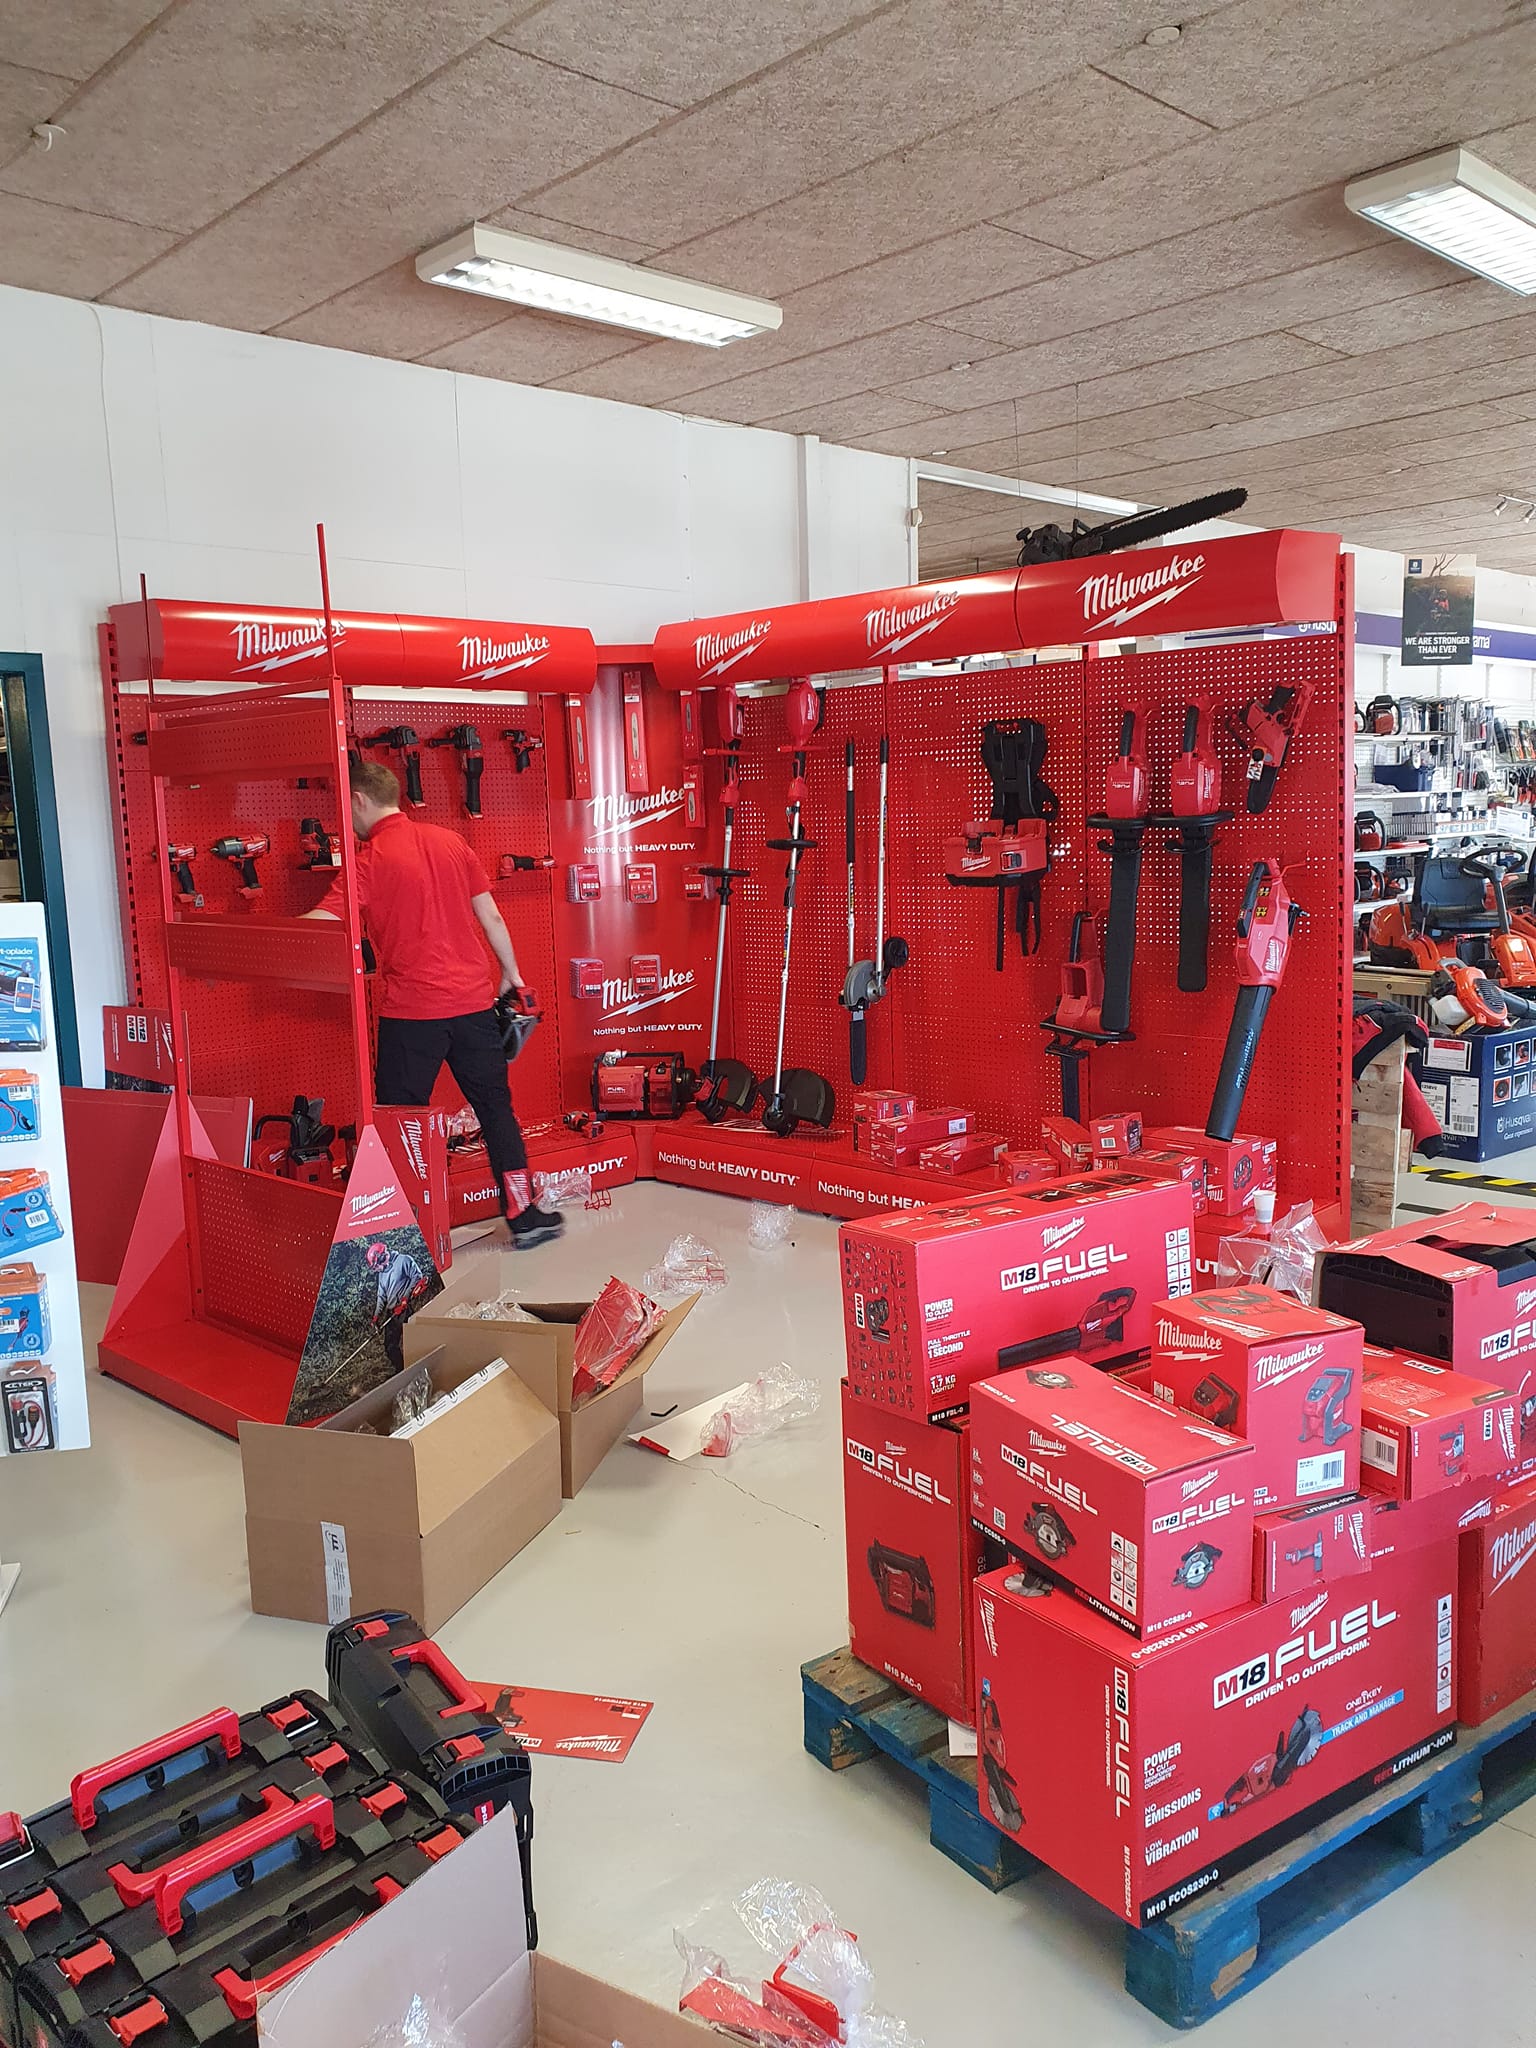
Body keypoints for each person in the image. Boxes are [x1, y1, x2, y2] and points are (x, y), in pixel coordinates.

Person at [306, 757, 562, 1248]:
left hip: (412, 1015)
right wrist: (512, 974)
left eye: (345, 806)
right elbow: (491, 916)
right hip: (473, 1007)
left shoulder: (368, 860)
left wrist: (253, 940)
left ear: (359, 799)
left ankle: (398, 1235)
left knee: (400, 1124)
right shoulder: (451, 842)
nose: (345, 817)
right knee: (496, 1110)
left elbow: (324, 919)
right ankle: (524, 1215)